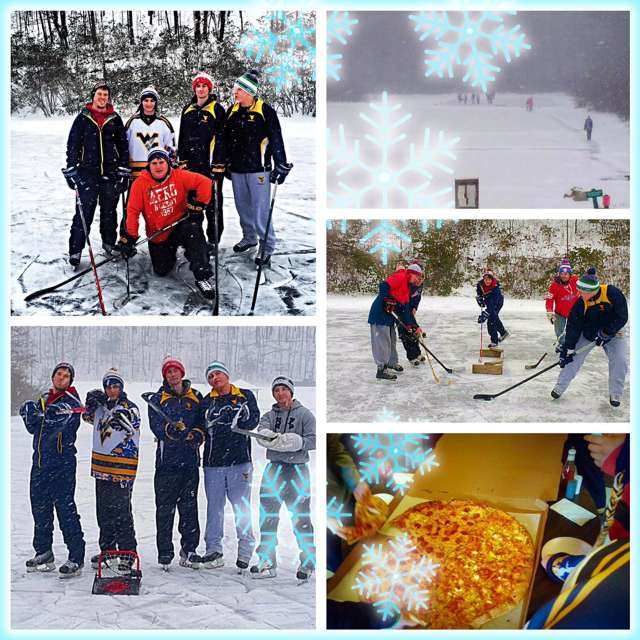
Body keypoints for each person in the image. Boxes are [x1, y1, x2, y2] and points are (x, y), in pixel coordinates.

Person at [117, 147, 216, 299]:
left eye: (161, 162)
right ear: (148, 165)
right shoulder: (139, 184)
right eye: (154, 163)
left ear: (168, 163)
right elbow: (132, 212)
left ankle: (202, 275)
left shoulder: (179, 176)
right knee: (162, 270)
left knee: (193, 230)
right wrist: (130, 236)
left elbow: (206, 183)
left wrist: (199, 204)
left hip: (181, 225)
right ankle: (172, 253)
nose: (158, 166)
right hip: (159, 235)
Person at [19, 362, 86, 577]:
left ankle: (76, 556)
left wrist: (39, 417)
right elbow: (33, 427)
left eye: (66, 376)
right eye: (59, 374)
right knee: (40, 509)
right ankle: (44, 551)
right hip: (39, 464)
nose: (61, 378)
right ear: (53, 376)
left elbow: (54, 423)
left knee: (66, 511)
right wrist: (28, 413)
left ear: (70, 381)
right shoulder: (44, 399)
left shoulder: (72, 401)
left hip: (62, 465)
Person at [223, 70, 292, 266]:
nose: (235, 93)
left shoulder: (265, 111)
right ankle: (249, 237)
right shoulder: (232, 111)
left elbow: (276, 139)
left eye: (238, 90)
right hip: (237, 169)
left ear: (249, 92)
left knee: (260, 210)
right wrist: (225, 161)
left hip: (259, 170)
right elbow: (226, 140)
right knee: (242, 206)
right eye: (235, 89)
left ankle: (267, 245)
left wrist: (281, 164)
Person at [252, 376, 316, 581]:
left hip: (297, 471)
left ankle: (308, 560)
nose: (280, 393)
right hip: (274, 470)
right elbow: (261, 432)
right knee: (268, 517)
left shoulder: (305, 414)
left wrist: (297, 442)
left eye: (284, 389)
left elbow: (314, 440)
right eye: (276, 390)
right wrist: (268, 438)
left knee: (301, 518)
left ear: (291, 392)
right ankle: (267, 560)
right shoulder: (269, 415)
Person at [198, 362, 260, 572]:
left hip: (239, 462)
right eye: (210, 376)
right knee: (214, 508)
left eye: (217, 374)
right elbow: (200, 428)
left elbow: (253, 421)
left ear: (226, 375)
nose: (214, 378)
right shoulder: (207, 402)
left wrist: (239, 416)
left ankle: (245, 548)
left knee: (241, 507)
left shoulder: (245, 395)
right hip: (213, 463)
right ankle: (213, 550)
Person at [147, 356, 206, 569]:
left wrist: (195, 435)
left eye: (175, 370)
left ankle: (189, 550)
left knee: (189, 508)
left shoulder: (196, 397)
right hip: (166, 463)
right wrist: (171, 430)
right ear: (165, 375)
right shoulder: (157, 399)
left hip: (189, 462)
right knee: (165, 509)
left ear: (182, 372)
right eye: (168, 371)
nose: (172, 375)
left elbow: (203, 423)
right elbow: (156, 426)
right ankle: (165, 553)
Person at [64, 80, 130, 265]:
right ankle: (75, 250)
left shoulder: (115, 118)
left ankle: (109, 243)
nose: (102, 98)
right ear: (93, 95)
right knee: (84, 214)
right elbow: (73, 145)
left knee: (109, 213)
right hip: (87, 174)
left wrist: (123, 170)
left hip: (110, 174)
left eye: (105, 95)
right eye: (99, 94)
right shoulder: (83, 118)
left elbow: (123, 146)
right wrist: (71, 169)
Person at [83, 369, 140, 569]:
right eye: (108, 386)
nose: (111, 389)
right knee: (104, 511)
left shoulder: (130, 407)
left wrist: (122, 420)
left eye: (115, 386)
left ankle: (127, 551)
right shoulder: (101, 408)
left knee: (122, 511)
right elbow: (87, 417)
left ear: (121, 387)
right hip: (101, 466)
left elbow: (134, 424)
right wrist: (90, 403)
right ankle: (107, 549)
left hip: (122, 467)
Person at [552, 268, 628, 406]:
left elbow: (622, 316)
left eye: (582, 291)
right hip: (589, 333)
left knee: (620, 360)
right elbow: (573, 327)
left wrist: (606, 333)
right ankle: (559, 387)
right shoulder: (580, 303)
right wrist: (567, 349)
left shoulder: (611, 293)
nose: (579, 293)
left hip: (613, 333)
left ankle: (615, 393)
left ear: (591, 290)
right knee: (573, 359)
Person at [178, 72, 227, 250]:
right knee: (192, 204)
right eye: (198, 86)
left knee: (213, 206)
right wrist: (182, 161)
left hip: (211, 167)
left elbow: (222, 139)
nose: (201, 89)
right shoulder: (188, 109)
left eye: (204, 86)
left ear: (209, 89)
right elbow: (182, 138)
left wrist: (219, 164)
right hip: (191, 167)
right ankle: (193, 238)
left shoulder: (217, 109)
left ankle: (213, 240)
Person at [368, 264, 424, 380]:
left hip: (389, 316)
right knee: (382, 342)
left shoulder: (407, 288)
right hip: (380, 313)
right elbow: (384, 286)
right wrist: (387, 300)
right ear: (411, 273)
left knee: (391, 340)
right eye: (417, 277)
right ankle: (381, 369)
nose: (417, 281)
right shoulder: (401, 277)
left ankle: (391, 363)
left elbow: (406, 309)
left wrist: (413, 326)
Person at [125, 85, 176, 182]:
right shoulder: (132, 122)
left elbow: (171, 147)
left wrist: (169, 163)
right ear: (141, 102)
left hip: (158, 172)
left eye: (152, 101)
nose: (149, 104)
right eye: (146, 100)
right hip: (136, 171)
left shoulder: (163, 122)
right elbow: (123, 144)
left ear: (156, 102)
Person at [398, 260, 426, 366]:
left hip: (410, 309)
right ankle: (411, 356)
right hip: (402, 309)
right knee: (405, 333)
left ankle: (417, 353)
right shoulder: (409, 283)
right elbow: (404, 300)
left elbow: (418, 297)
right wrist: (409, 311)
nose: (419, 281)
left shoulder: (420, 284)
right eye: (418, 278)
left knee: (414, 331)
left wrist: (415, 308)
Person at [545, 259, 579, 344]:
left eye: (566, 274)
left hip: (574, 313)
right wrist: (549, 312)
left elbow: (584, 291)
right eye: (561, 274)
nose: (564, 276)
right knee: (560, 334)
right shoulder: (554, 285)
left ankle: (572, 347)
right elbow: (549, 299)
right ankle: (562, 347)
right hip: (560, 314)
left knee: (575, 333)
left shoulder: (575, 281)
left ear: (570, 274)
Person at [476, 270, 509, 348]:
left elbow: (493, 304)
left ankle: (494, 341)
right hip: (488, 300)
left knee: (491, 319)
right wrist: (480, 300)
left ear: (492, 279)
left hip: (497, 302)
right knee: (493, 316)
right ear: (483, 279)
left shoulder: (496, 288)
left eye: (489, 279)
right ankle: (503, 332)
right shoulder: (480, 285)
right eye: (486, 279)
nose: (487, 281)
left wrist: (485, 314)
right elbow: (479, 294)